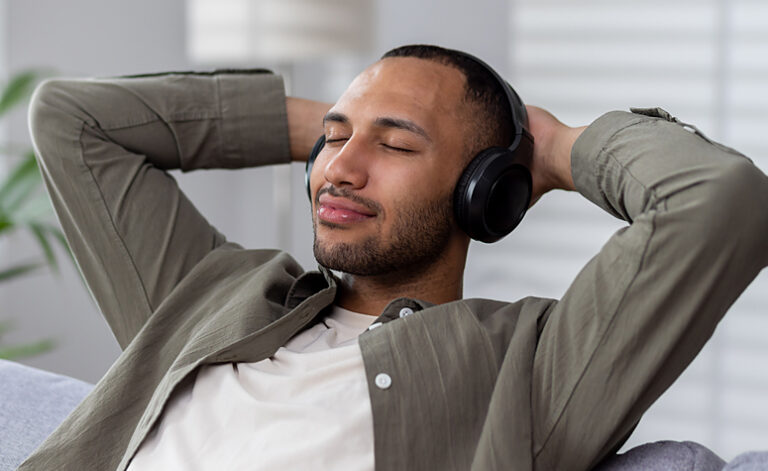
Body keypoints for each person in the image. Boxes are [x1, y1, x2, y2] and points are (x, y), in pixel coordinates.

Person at [21, 44, 767, 470]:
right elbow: (72, 121)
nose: (340, 170)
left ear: (483, 189)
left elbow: (721, 199)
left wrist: (550, 145)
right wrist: (342, 125)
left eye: (398, 145)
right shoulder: (220, 295)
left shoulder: (526, 369)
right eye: (333, 140)